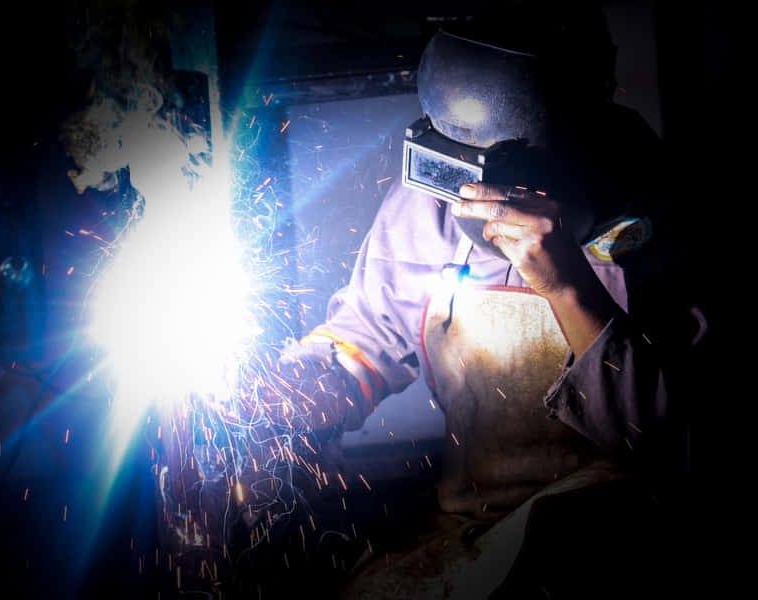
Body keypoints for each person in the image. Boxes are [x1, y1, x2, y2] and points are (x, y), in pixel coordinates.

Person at [262, 2, 702, 598]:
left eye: (492, 174)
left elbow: (657, 433)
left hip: (618, 543)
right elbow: (365, 339)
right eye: (448, 167)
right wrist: (298, 400)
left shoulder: (662, 213)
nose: (461, 196)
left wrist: (567, 285)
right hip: (473, 529)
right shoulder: (427, 203)